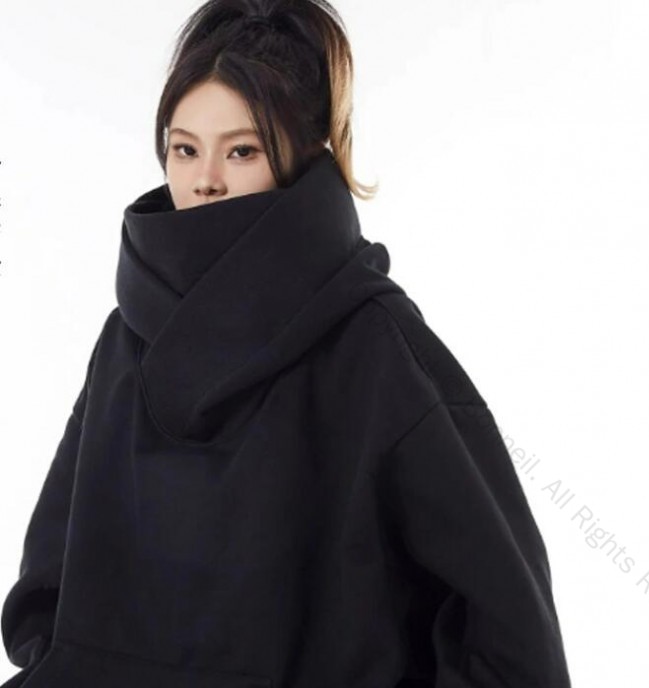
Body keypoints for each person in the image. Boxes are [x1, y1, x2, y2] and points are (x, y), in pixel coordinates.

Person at [0, 1, 573, 686]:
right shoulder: (125, 339)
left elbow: (510, 635)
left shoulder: (377, 350)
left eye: (241, 150)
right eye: (185, 148)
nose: (205, 180)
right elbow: (46, 581)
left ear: (302, 158)